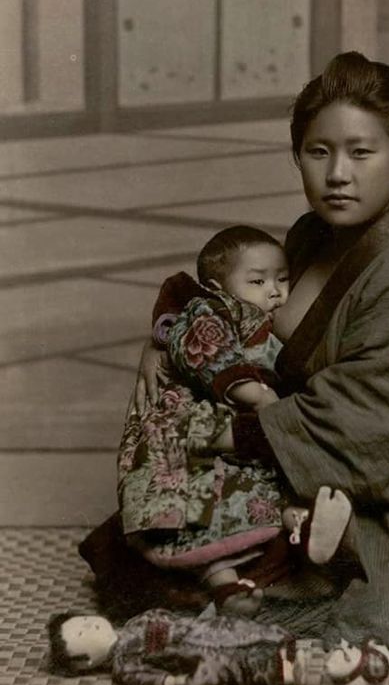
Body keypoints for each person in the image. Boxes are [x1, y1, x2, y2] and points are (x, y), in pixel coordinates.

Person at [83, 51, 389, 648]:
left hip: (379, 492)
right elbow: (228, 313)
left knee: (217, 574)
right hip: (293, 455)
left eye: (361, 152)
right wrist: (162, 344)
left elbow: (380, 416)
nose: (338, 174)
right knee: (152, 537)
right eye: (318, 152)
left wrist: (233, 437)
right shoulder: (307, 236)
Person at [118, 225, 352, 616]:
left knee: (255, 488)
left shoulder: (262, 321)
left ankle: (287, 537)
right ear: (219, 286)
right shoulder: (210, 310)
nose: (275, 291)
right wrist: (254, 393)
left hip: (231, 431)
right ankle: (235, 579)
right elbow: (208, 351)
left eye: (282, 279)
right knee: (203, 505)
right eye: (258, 281)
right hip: (189, 435)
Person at [47, 609, 307, 685]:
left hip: (196, 628)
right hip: (188, 655)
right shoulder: (123, 666)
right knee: (231, 662)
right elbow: (152, 679)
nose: (88, 625)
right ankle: (283, 670)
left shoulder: (133, 623)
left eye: (83, 619)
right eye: (81, 634)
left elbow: (163, 615)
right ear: (87, 662)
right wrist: (176, 682)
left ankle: (281, 642)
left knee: (236, 630)